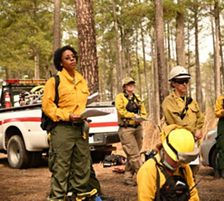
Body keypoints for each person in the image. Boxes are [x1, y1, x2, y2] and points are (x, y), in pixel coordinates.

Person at [42, 45, 101, 200]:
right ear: (60, 63)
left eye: (73, 56)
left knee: (82, 165)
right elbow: (48, 106)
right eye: (67, 58)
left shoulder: (81, 80)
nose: (72, 60)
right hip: (62, 129)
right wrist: (68, 116)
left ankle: (79, 195)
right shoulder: (54, 81)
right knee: (61, 167)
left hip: (80, 128)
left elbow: (81, 104)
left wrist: (83, 115)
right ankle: (57, 197)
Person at [137, 125, 200, 201]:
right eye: (176, 160)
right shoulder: (148, 170)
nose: (179, 164)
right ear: (165, 150)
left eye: (182, 161)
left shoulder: (184, 168)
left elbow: (193, 195)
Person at [162, 65, 204, 176]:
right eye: (181, 81)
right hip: (178, 143)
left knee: (193, 169)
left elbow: (200, 117)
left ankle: (190, 190)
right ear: (173, 83)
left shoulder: (191, 101)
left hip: (193, 142)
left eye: (186, 81)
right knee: (178, 171)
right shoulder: (168, 102)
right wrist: (193, 131)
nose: (185, 84)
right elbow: (175, 122)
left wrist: (199, 129)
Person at [115, 77, 147, 186]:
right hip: (126, 129)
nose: (131, 86)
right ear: (124, 86)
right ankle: (144, 176)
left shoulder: (137, 98)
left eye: (132, 84)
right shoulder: (120, 97)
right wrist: (133, 116)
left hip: (137, 128)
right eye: (128, 84)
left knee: (134, 154)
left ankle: (128, 177)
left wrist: (141, 117)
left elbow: (144, 112)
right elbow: (121, 111)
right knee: (134, 155)